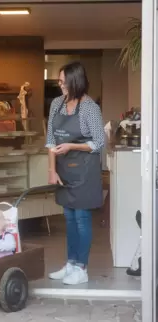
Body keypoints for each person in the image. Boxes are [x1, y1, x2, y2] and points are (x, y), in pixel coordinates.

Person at [46, 61, 105, 285]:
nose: (61, 86)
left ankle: (82, 268)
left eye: (64, 82)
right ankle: (70, 264)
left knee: (81, 218)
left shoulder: (90, 107)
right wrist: (52, 169)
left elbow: (99, 143)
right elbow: (51, 140)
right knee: (69, 218)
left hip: (85, 171)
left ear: (75, 82)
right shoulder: (56, 104)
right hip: (64, 170)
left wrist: (72, 146)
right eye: (59, 82)